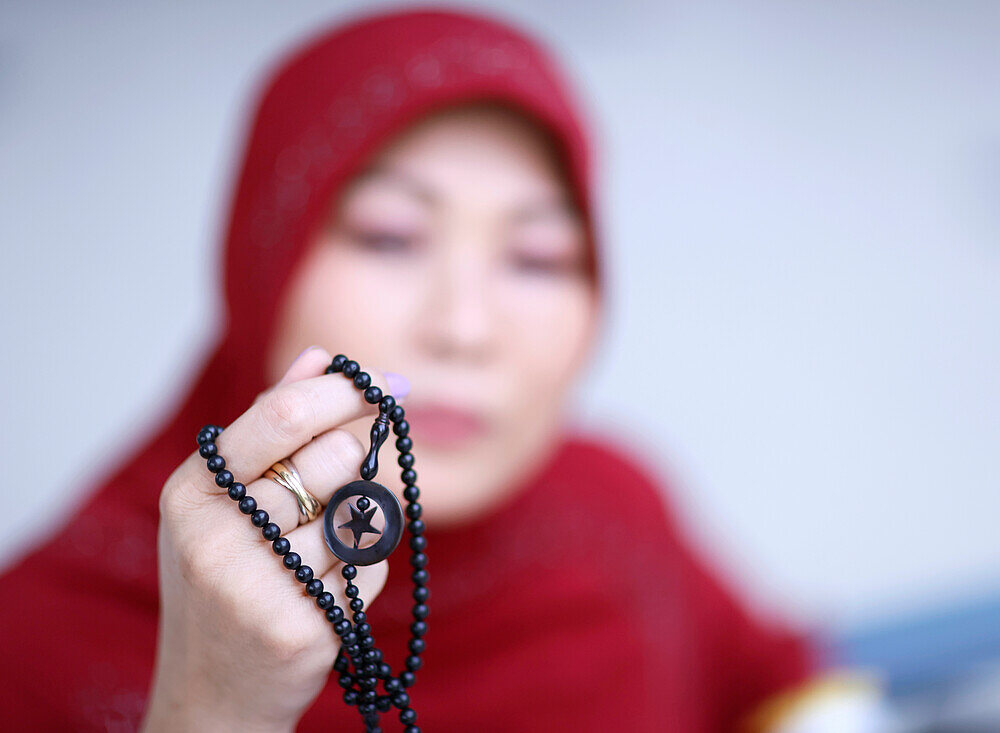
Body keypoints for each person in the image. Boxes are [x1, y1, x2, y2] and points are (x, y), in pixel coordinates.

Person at [0, 9, 834, 731]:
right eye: (390, 236)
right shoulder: (33, 640)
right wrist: (213, 712)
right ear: (261, 261)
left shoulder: (618, 509)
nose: (465, 327)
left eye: (538, 257)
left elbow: (782, 684)